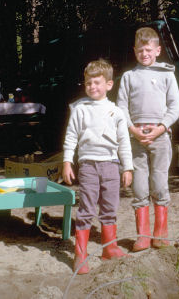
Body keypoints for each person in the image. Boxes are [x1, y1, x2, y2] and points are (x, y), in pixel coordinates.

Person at [62, 59, 133, 274]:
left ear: (109, 85)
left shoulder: (117, 112)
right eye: (88, 83)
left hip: (111, 165)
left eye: (97, 83)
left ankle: (109, 248)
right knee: (87, 208)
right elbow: (71, 137)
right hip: (87, 166)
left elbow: (124, 141)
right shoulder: (80, 110)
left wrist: (128, 167)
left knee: (110, 207)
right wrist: (67, 162)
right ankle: (80, 255)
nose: (93, 87)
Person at [116, 27, 179, 252]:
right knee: (140, 186)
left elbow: (176, 106)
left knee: (160, 183)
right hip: (135, 139)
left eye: (148, 50)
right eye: (140, 50)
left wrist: (161, 128)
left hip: (161, 137)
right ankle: (143, 236)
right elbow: (121, 107)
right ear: (134, 51)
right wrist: (132, 130)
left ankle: (160, 234)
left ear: (157, 50)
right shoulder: (128, 77)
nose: (144, 54)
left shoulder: (166, 74)